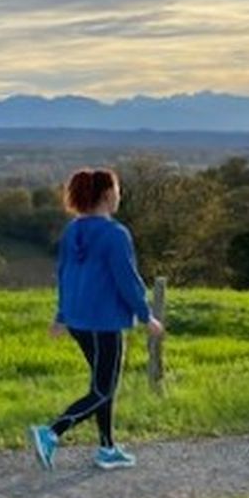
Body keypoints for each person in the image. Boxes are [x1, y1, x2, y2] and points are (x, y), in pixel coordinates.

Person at [28, 168, 164, 471]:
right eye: (117, 190)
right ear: (106, 195)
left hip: (78, 321)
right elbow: (127, 280)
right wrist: (146, 316)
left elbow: (63, 275)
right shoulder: (116, 234)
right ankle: (51, 433)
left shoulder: (73, 230)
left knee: (102, 385)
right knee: (103, 389)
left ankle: (107, 448)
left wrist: (61, 316)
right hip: (105, 323)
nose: (119, 195)